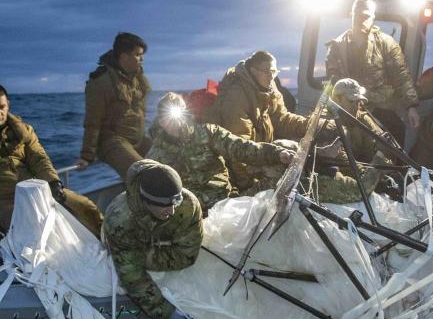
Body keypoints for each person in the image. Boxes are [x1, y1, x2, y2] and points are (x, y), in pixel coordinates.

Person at [0, 81, 103, 244]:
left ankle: (109, 246)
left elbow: (39, 158)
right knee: (29, 226)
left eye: (2, 106)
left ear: (8, 104)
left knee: (85, 207)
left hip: (33, 189)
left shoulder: (24, 130)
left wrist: (53, 183)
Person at [147, 93, 295, 213]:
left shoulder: (208, 133)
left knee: (281, 164)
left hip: (226, 203)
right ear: (160, 121)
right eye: (167, 118)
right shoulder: (155, 156)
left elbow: (241, 148)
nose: (176, 123)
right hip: (191, 216)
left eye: (178, 116)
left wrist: (276, 153)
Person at [102, 160, 203, 319]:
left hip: (152, 246)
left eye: (174, 202)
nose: (171, 211)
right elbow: (132, 275)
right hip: (127, 244)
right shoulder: (119, 220)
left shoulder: (187, 204)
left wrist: (153, 253)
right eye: (163, 205)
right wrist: (167, 312)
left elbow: (187, 254)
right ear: (146, 201)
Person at [207, 51, 324, 192]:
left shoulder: (269, 88)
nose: (271, 76)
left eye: (274, 71)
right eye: (266, 71)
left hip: (260, 155)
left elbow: (282, 119)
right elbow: (239, 149)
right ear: (253, 71)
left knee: (295, 152)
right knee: (283, 158)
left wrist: (313, 125)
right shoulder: (236, 97)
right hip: (241, 167)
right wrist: (247, 187)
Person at [325, 0, 420, 146]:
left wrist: (411, 107)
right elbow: (332, 82)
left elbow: (401, 75)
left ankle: (394, 169)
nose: (362, 19)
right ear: (352, 14)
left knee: (395, 134)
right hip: (348, 108)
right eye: (358, 15)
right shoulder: (336, 47)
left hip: (379, 107)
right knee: (334, 137)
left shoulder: (386, 44)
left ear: (373, 17)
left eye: (366, 16)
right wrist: (329, 106)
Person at [76, 32, 152, 178]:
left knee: (170, 161)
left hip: (137, 139)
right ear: (124, 56)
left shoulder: (138, 78)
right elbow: (93, 120)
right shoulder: (101, 81)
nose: (141, 59)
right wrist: (87, 156)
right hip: (112, 141)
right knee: (144, 174)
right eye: (137, 55)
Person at [329, 78, 387, 164]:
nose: (355, 106)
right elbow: (341, 162)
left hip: (363, 170)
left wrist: (381, 156)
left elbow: (382, 145)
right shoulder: (328, 124)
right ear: (337, 100)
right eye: (351, 101)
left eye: (358, 102)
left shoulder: (362, 118)